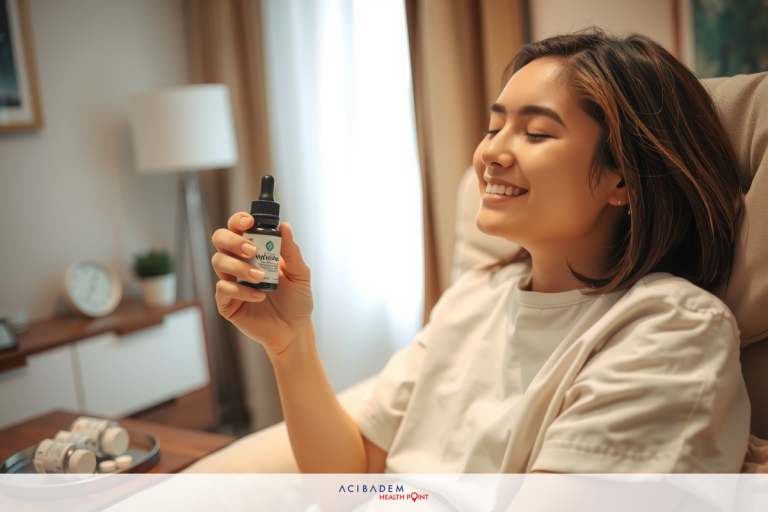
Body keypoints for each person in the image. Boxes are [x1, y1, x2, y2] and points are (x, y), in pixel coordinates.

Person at [210, 29, 749, 474]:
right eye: (494, 126)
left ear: (622, 179)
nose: (491, 151)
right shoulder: (474, 298)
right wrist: (290, 345)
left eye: (536, 133)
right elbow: (353, 476)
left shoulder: (669, 329)